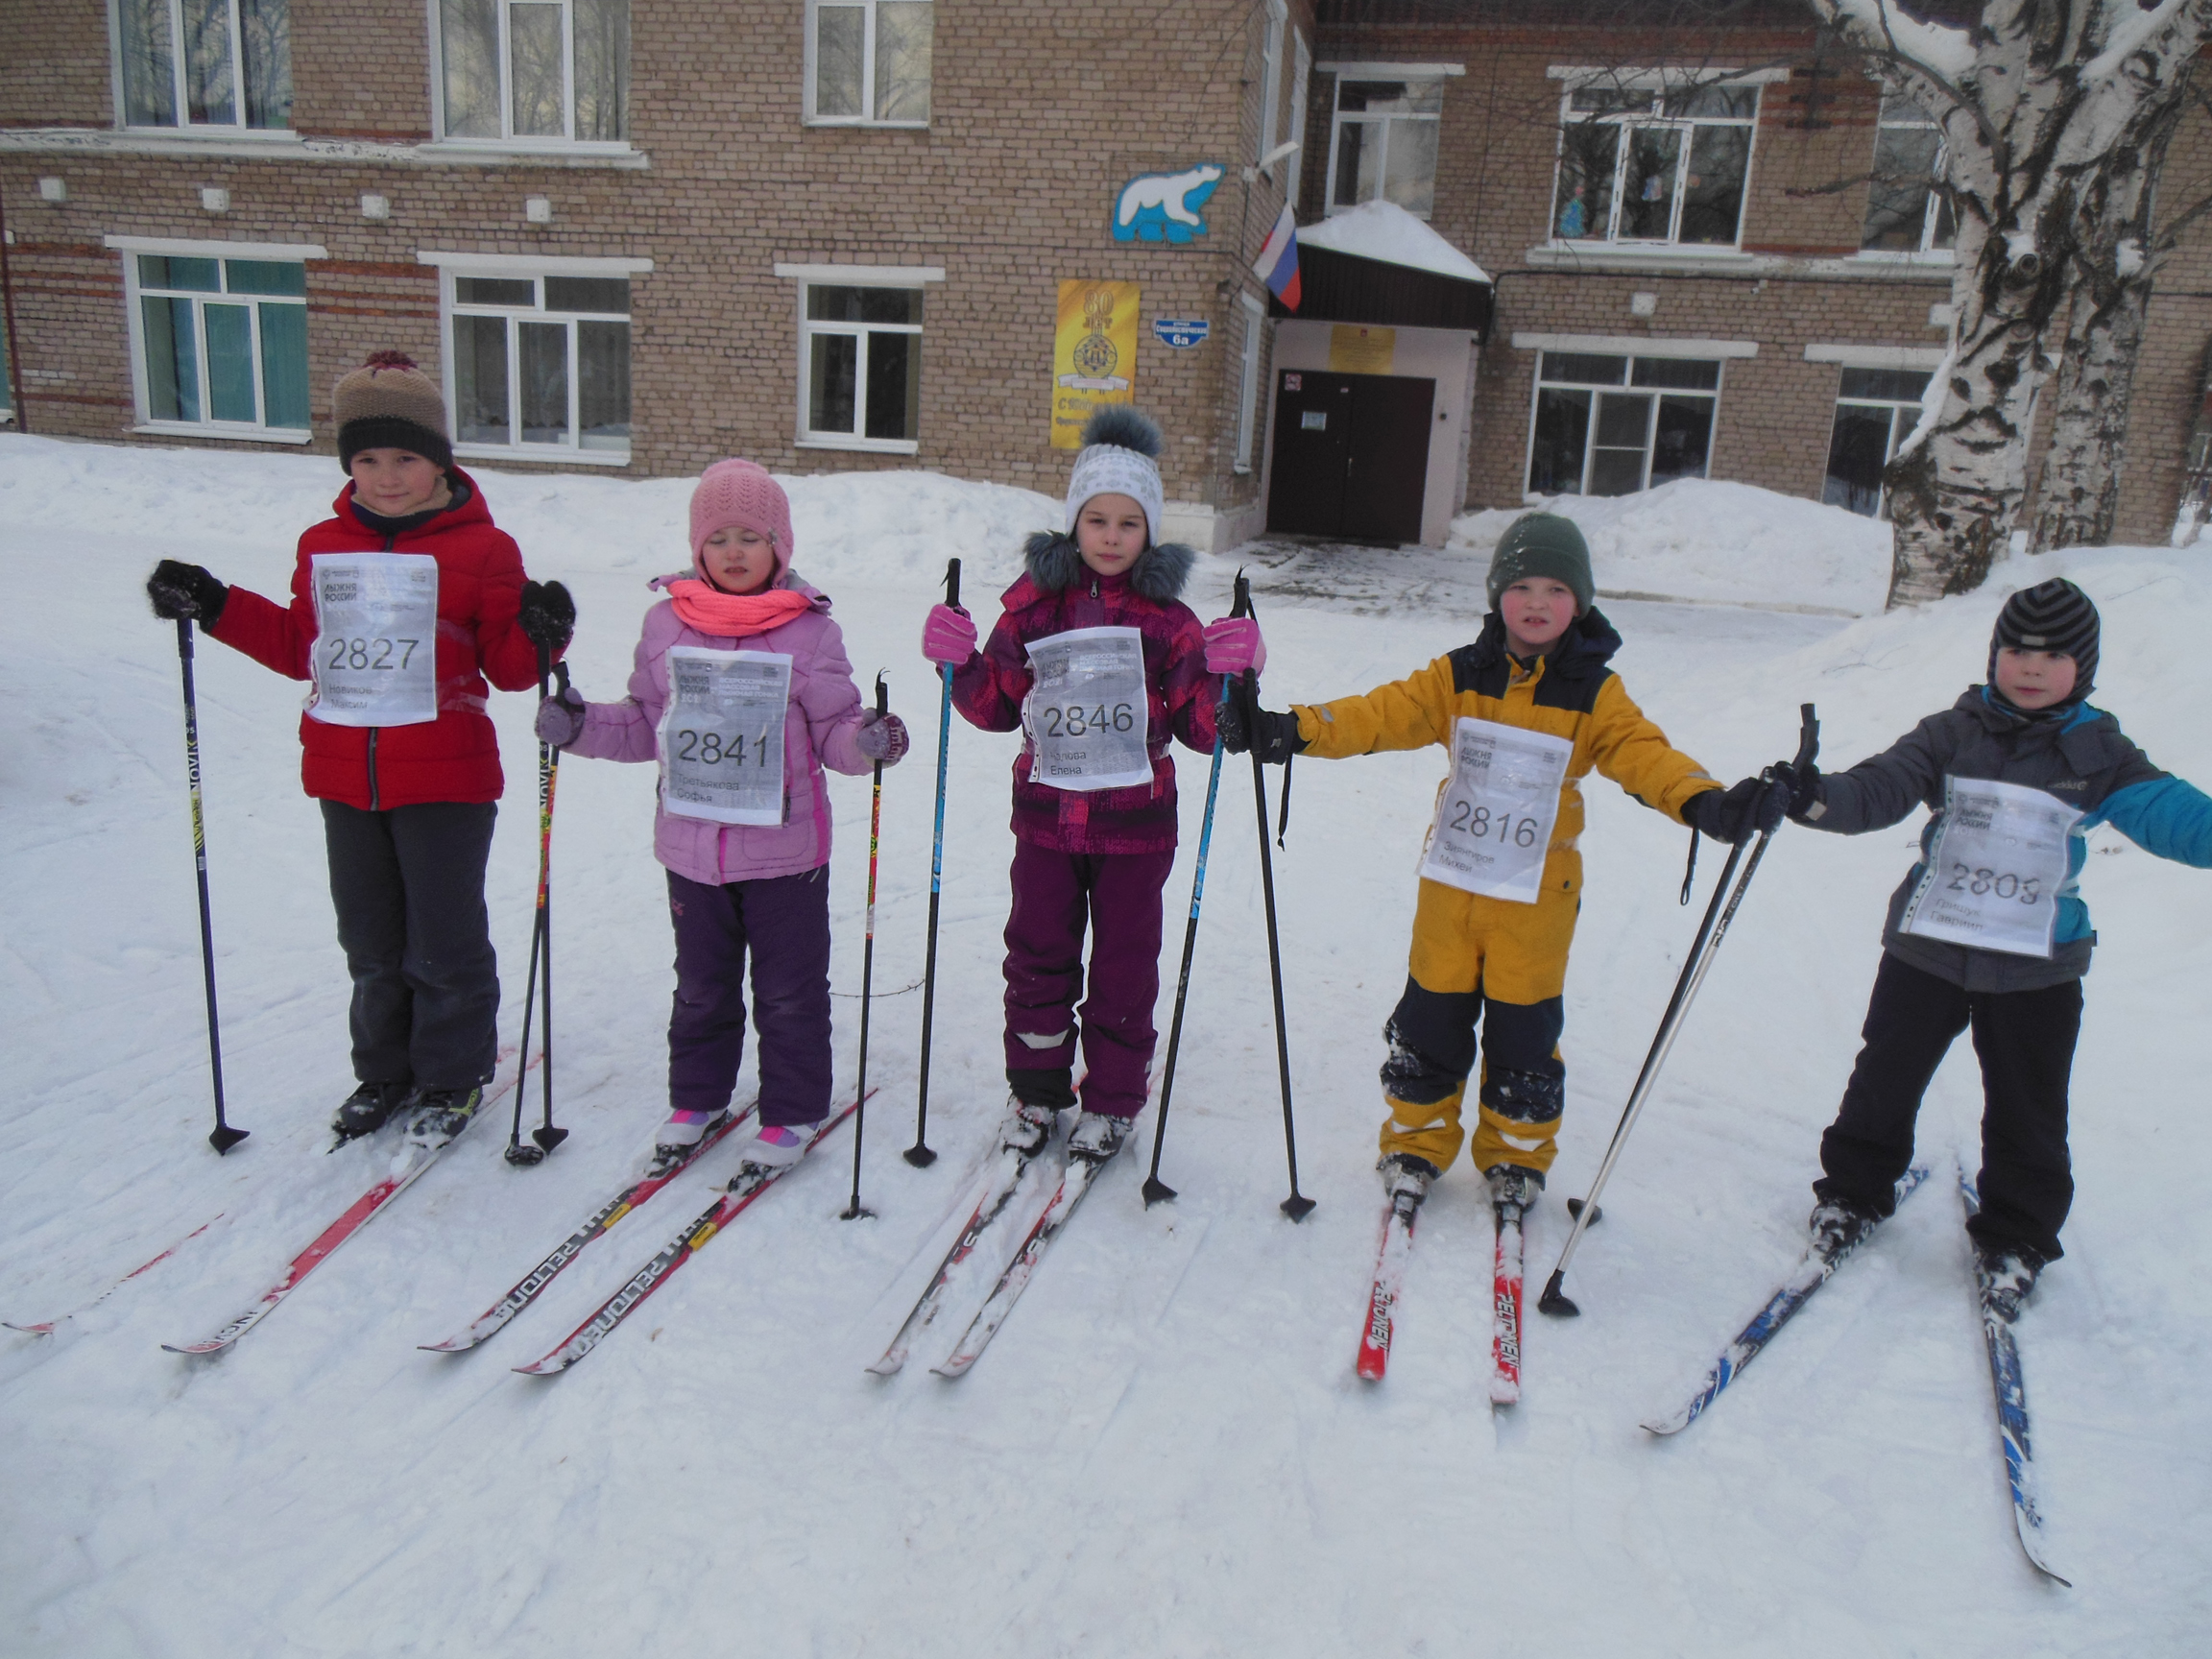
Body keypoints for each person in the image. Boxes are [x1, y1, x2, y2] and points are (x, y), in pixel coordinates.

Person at [1220, 512, 1778, 1210]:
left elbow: (1644, 754)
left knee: (1524, 1040)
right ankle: (1415, 1145)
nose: (1537, 603)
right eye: (1521, 586)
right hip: (1451, 895)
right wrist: (1287, 730)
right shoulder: (1461, 676)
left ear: (1581, 599)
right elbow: (1379, 713)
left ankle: (1516, 1156)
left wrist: (1706, 802)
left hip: (1535, 908)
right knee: (1428, 1028)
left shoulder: (1594, 692)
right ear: (1496, 596)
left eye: (1555, 588)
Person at [146, 349, 571, 1148]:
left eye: (405, 458)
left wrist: (545, 630)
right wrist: (214, 603)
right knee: (371, 940)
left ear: (439, 460)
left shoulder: (483, 550)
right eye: (367, 459)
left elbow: (512, 672)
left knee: (442, 939)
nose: (385, 476)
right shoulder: (323, 544)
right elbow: (300, 644)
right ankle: (384, 1070)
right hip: (345, 775)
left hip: (446, 777)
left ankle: (451, 1073)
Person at [1772, 578, 2212, 1316]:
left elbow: (2167, 812)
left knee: (2028, 1104)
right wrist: (1817, 797)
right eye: (2015, 650)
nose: (2030, 667)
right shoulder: (1954, 731)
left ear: (2085, 667)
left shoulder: (2099, 752)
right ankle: (1851, 1193)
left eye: (2052, 655)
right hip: (1928, 949)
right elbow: (1883, 785)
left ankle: (2016, 1234)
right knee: (1886, 1074)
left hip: (2037, 969)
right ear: (1994, 655)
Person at [534, 459, 906, 1171]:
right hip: (692, 852)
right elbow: (646, 724)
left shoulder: (810, 634)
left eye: (752, 536)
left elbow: (835, 732)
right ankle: (697, 1097)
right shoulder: (666, 625)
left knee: (790, 990)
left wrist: (868, 743)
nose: (734, 551)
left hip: (785, 856)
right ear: (697, 547)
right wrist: (576, 726)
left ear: (780, 547)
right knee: (701, 986)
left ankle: (793, 1109)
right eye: (719, 537)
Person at [919, 405, 1242, 1166]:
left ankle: (1112, 1099)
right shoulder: (1031, 608)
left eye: (1128, 523)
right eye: (1096, 519)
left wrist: (1235, 681)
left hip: (1136, 828)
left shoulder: (1171, 622)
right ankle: (1035, 1092)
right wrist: (960, 664)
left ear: (1149, 532)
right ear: (1073, 524)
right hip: (1045, 824)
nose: (1109, 536)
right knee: (1036, 952)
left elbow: (1202, 729)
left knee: (1125, 963)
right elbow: (996, 707)